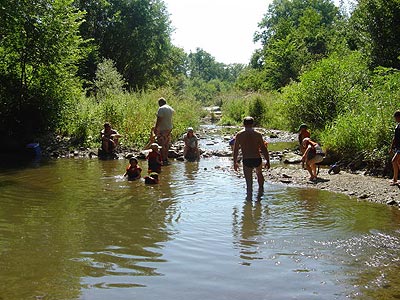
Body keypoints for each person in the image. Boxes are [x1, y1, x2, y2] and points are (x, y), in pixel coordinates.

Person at [233, 116, 270, 198]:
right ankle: (260, 193)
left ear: (243, 124)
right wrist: (268, 160)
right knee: (259, 173)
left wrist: (234, 162)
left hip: (246, 159)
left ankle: (249, 200)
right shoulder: (258, 134)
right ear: (253, 124)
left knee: (249, 182)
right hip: (257, 158)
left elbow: (235, 150)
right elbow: (263, 148)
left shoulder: (239, 135)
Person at [154, 97, 174, 164]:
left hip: (163, 129)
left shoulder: (161, 109)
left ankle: (163, 159)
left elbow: (159, 119)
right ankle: (166, 158)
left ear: (160, 103)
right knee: (166, 144)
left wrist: (156, 128)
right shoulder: (170, 108)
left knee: (161, 144)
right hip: (169, 128)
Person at [389, 111, 400, 185]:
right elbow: (394, 138)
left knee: (394, 161)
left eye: (396, 118)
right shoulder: (398, 125)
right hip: (398, 147)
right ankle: (395, 179)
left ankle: (395, 179)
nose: (395, 119)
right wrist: (391, 147)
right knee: (398, 162)